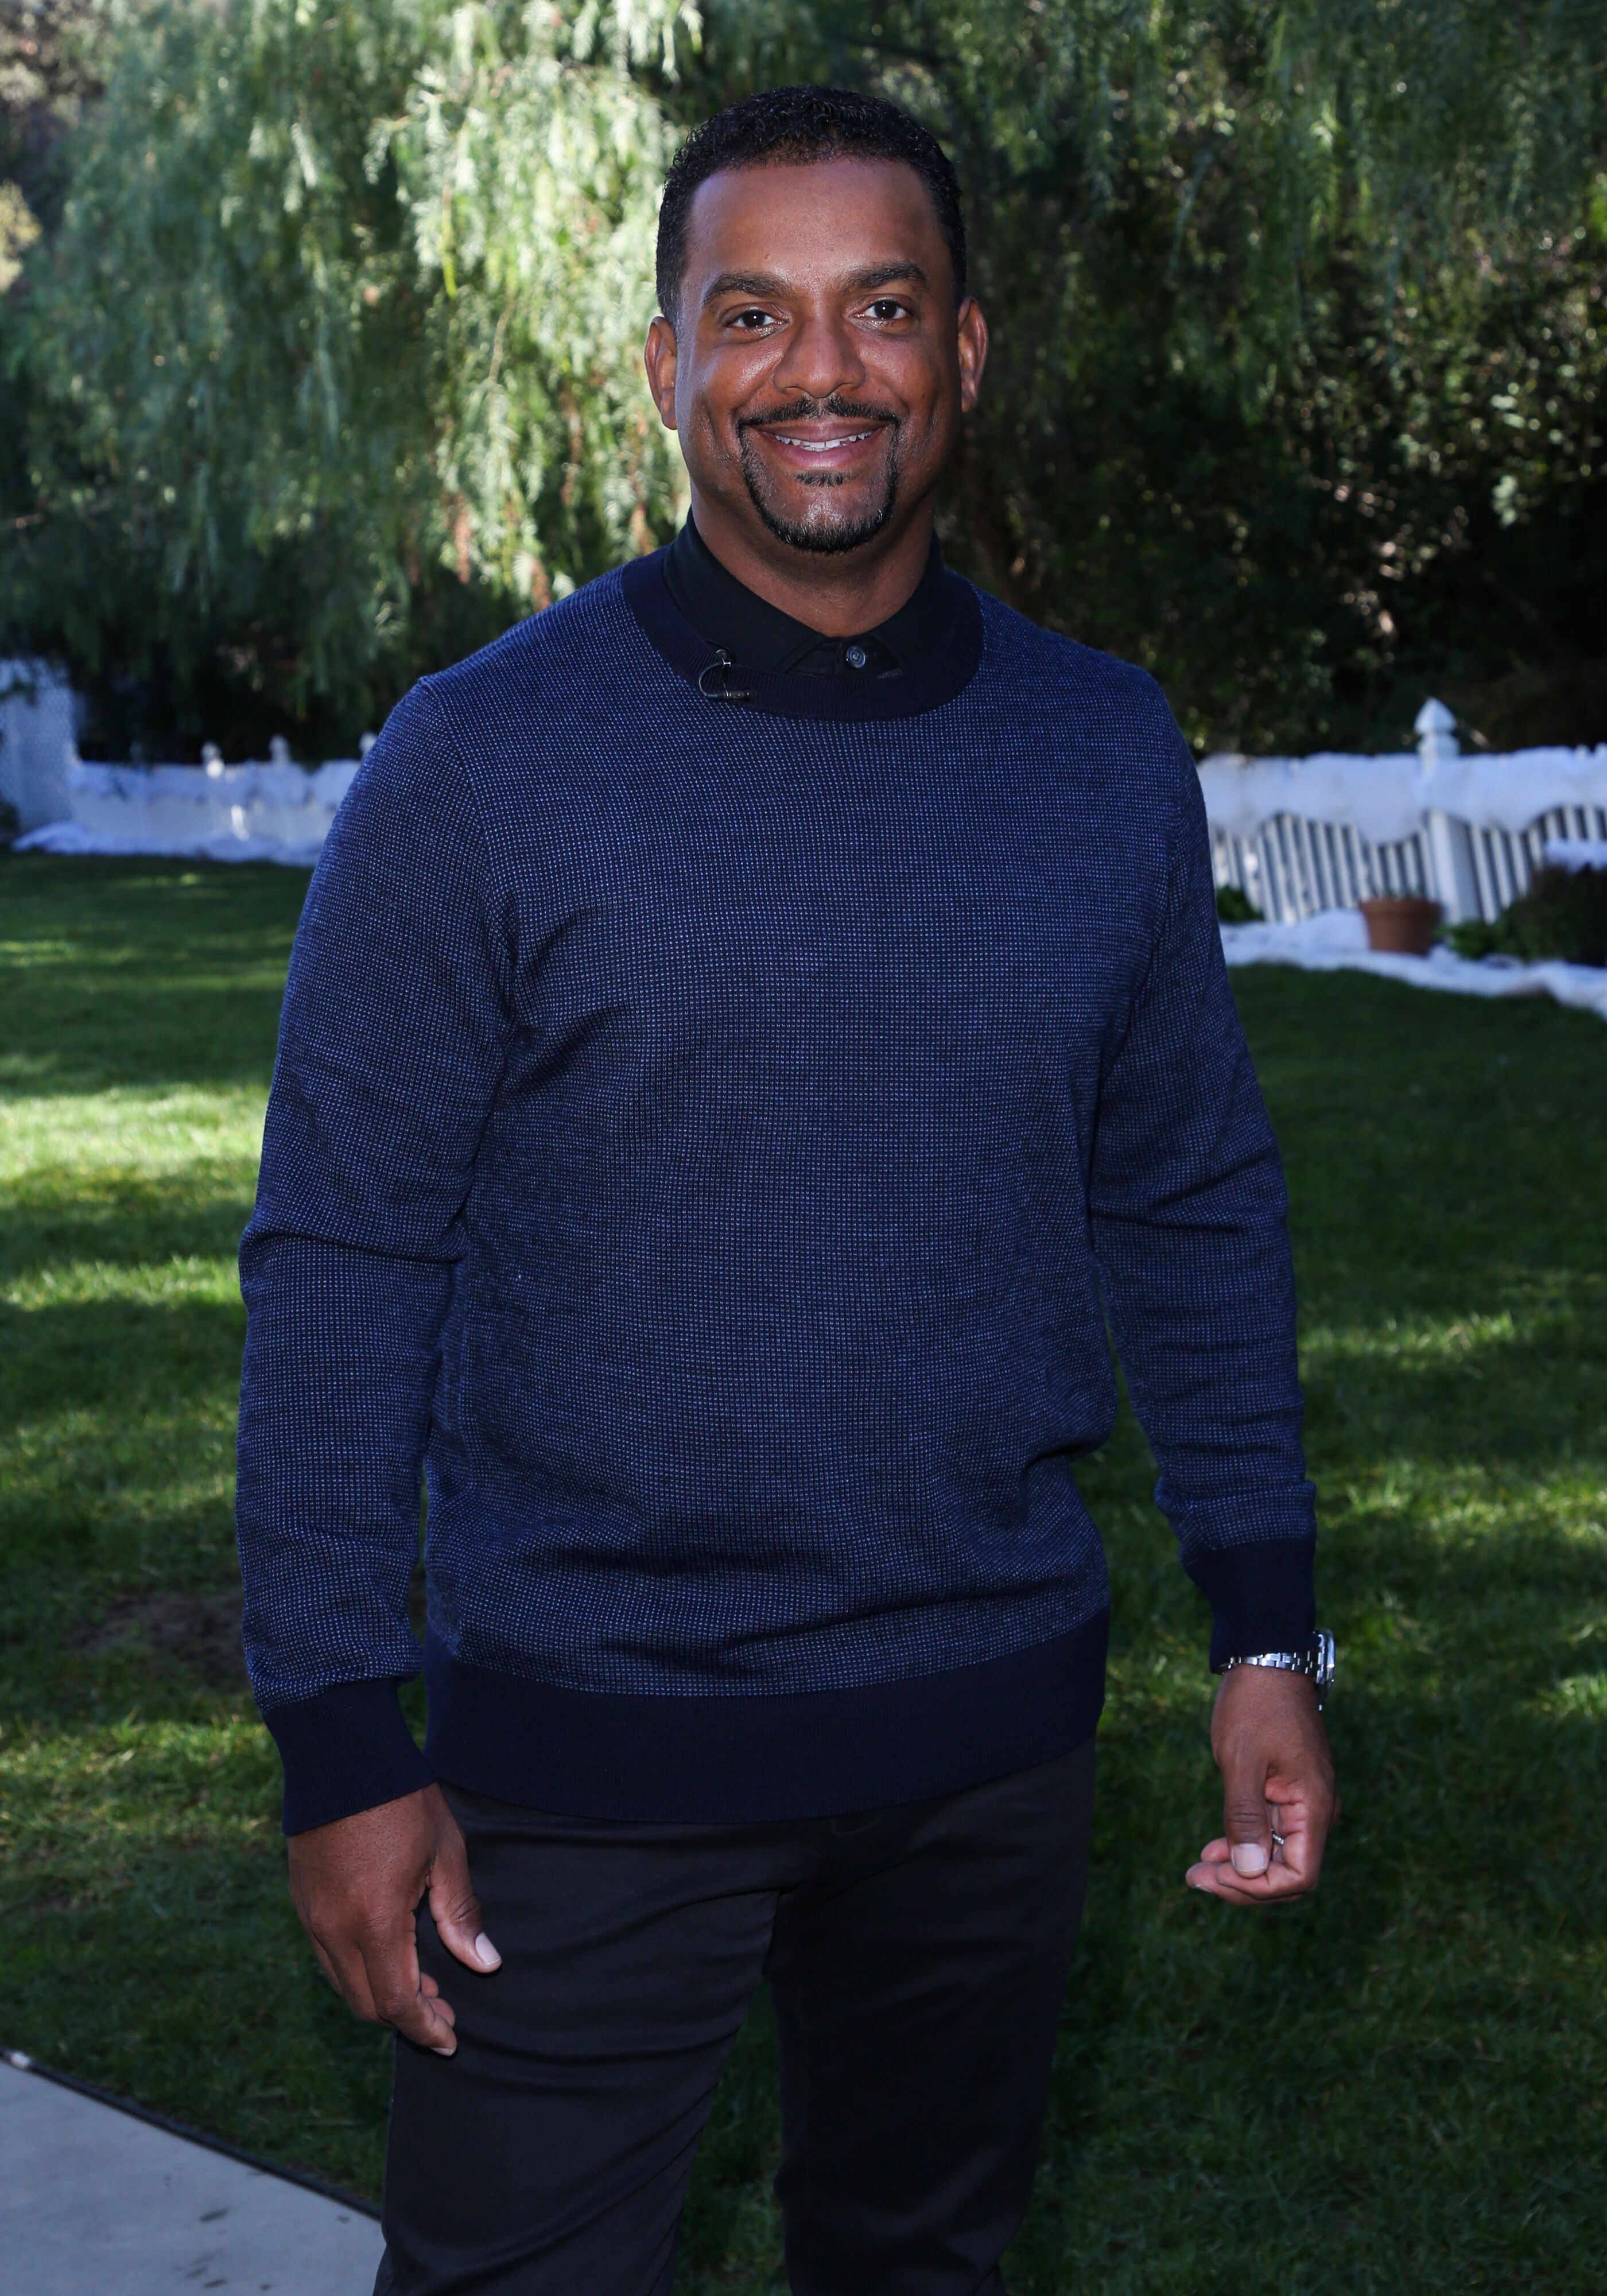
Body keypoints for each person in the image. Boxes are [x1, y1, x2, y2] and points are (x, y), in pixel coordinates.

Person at [236, 83, 1337, 2296]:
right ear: (666, 363)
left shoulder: (1101, 748)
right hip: (584, 1754)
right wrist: (341, 1737)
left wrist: (1265, 1626)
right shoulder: (480, 764)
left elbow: (1193, 1196)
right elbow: (346, 1254)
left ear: (966, 357)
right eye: (753, 314)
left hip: (988, 1736)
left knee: (921, 2268)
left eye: (882, 310)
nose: (819, 374)